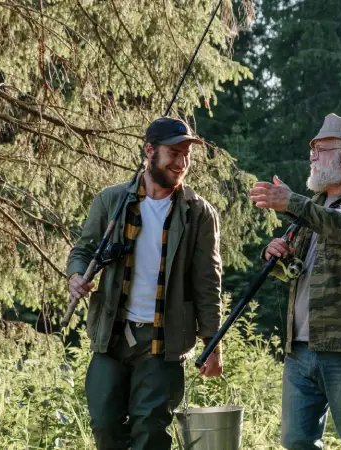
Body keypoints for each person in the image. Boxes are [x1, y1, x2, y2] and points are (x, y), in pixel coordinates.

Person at [66, 116, 224, 450]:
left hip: (163, 341)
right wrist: (76, 275)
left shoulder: (198, 213)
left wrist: (212, 343)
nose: (181, 163)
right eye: (173, 153)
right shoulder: (112, 200)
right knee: (105, 425)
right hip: (111, 333)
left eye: (186, 155)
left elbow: (207, 283)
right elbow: (84, 249)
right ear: (149, 151)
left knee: (150, 431)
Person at [249, 113, 341, 449]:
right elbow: (298, 269)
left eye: (320, 150)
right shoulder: (315, 205)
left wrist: (293, 203)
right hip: (301, 349)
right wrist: (276, 257)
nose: (312, 157)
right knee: (297, 443)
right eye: (312, 150)